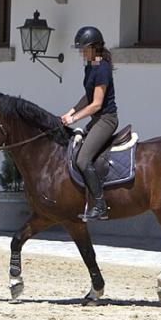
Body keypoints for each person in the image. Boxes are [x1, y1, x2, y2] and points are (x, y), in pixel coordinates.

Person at [59, 25, 118, 222]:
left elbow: (97, 104)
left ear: (94, 47)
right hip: (96, 119)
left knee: (83, 159)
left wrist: (74, 119)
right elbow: (88, 96)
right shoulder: (91, 66)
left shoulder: (102, 68)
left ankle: (101, 206)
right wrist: (71, 110)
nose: (82, 53)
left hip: (106, 119)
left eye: (84, 49)